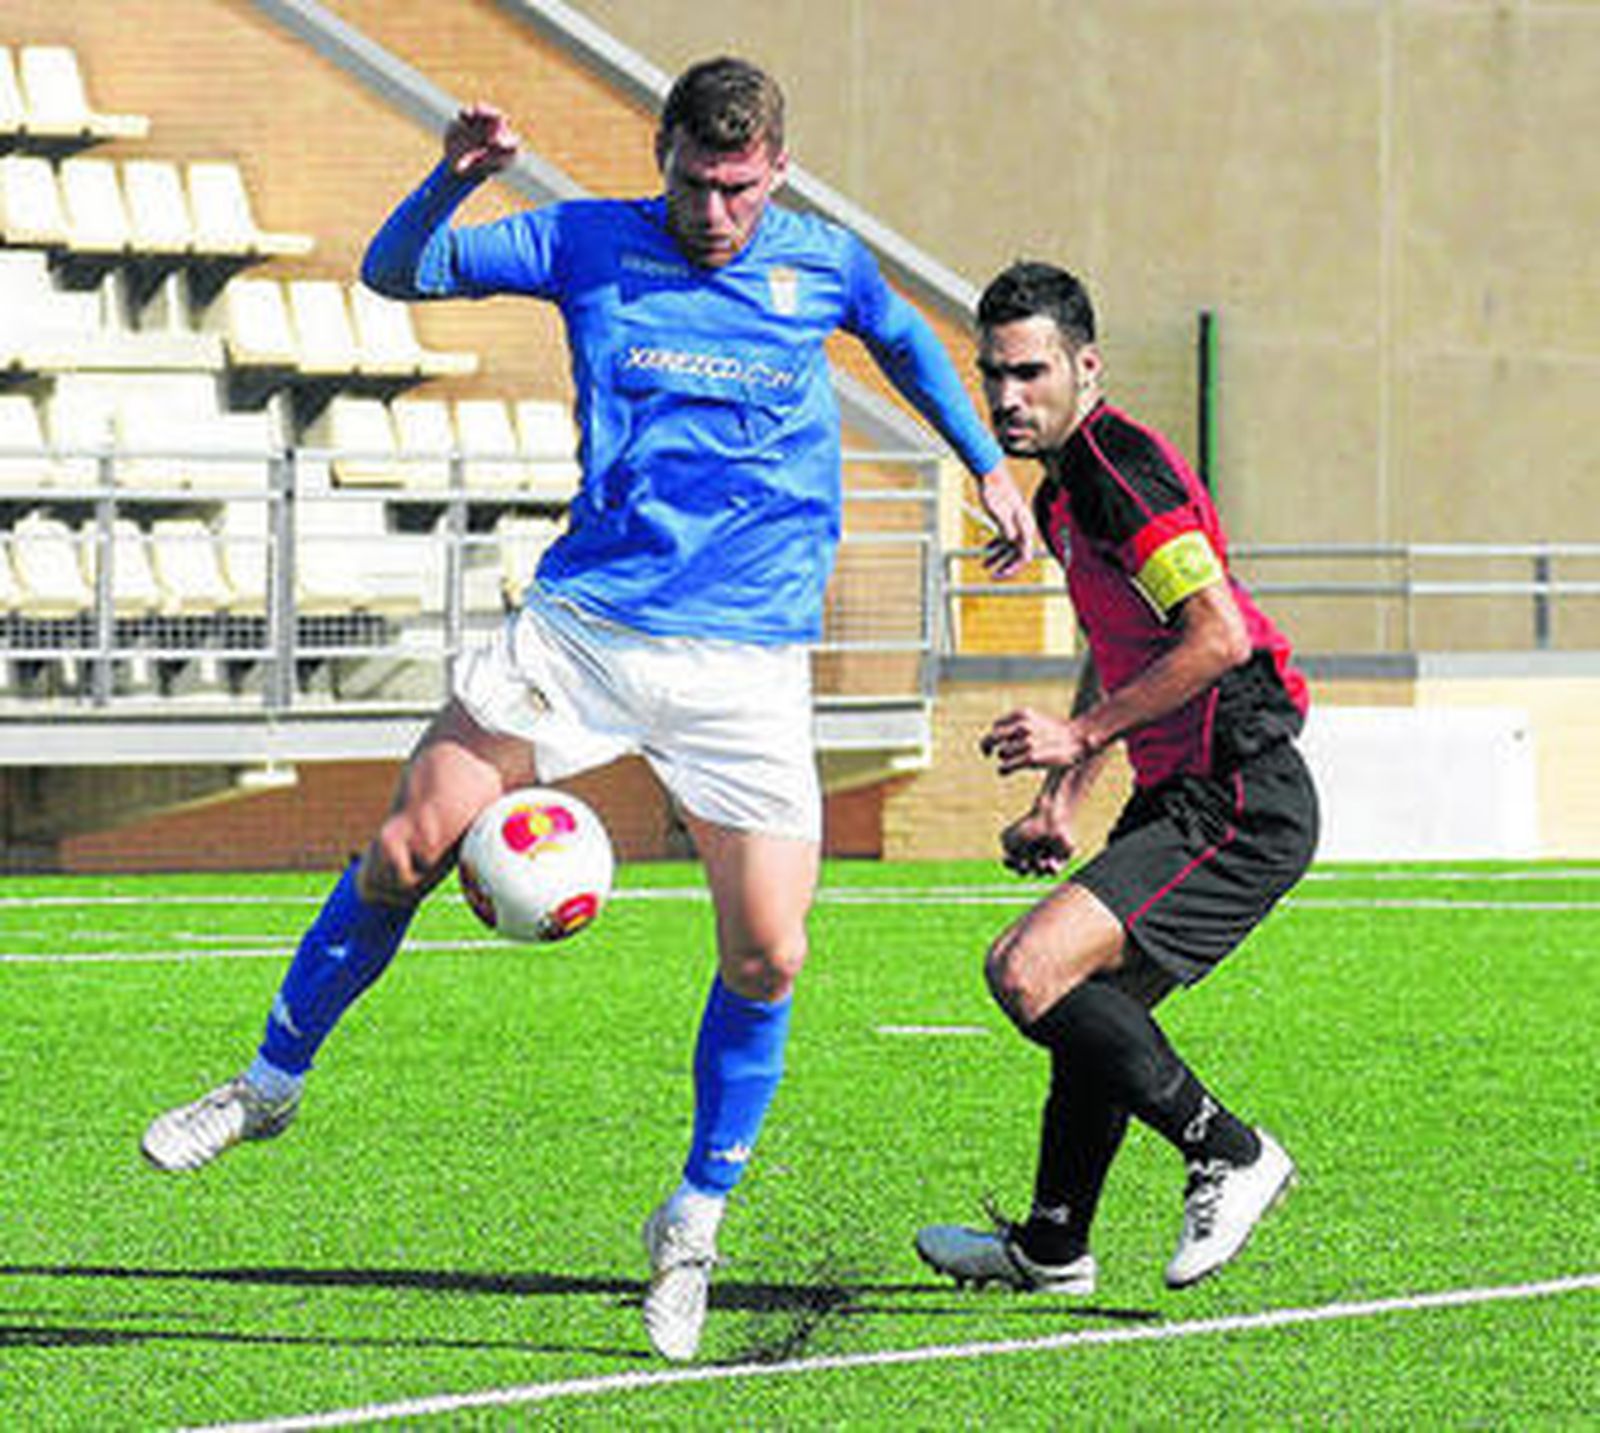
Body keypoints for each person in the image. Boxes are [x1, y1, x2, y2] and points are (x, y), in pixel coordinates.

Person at [139, 58, 1034, 1363]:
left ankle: (692, 1221)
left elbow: (903, 342)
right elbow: (398, 275)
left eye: (738, 189)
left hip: (747, 663)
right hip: (584, 627)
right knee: (405, 845)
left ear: (773, 171)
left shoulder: (822, 263)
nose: (714, 212)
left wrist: (984, 467)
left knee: (768, 955)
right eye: (692, 180)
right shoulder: (582, 239)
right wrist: (450, 181)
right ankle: (267, 1085)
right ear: (659, 150)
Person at [915, 261, 1318, 1296]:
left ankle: (1228, 1149)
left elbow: (1217, 634)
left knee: (1027, 970)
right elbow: (1122, 639)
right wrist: (1063, 794)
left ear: (1085, 366)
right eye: (992, 375)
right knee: (1087, 1008)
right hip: (1181, 789)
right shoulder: (1064, 496)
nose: (1007, 397)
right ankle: (1052, 1247)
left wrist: (1079, 730)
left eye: (1030, 372)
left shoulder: (1117, 468)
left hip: (1240, 791)